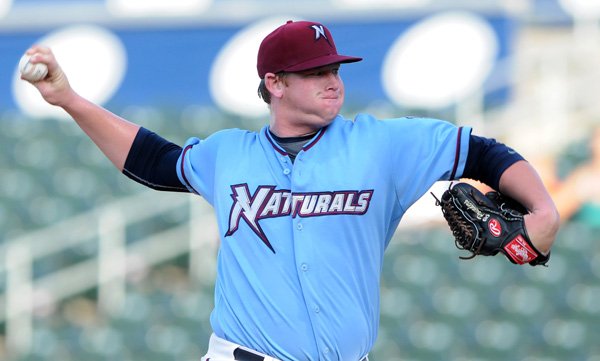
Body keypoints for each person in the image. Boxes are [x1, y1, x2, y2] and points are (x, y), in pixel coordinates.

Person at [23, 20, 559, 361]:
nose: (333, 80)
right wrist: (69, 100)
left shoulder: (382, 144)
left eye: (335, 68)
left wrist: (541, 210)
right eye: (315, 71)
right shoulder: (228, 153)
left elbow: (483, 152)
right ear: (274, 83)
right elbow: (154, 160)